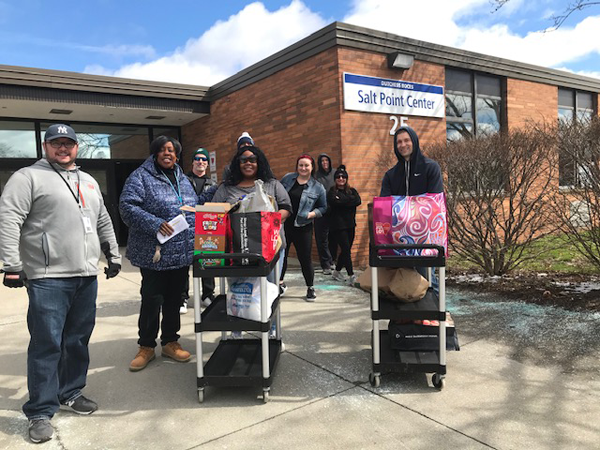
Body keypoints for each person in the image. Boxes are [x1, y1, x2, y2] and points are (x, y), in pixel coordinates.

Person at [0, 124, 121, 444]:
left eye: (68, 143)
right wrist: (12, 265)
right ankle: (39, 410)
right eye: (56, 143)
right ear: (45, 145)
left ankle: (70, 392)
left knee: (77, 341)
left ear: (77, 147)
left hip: (85, 275)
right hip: (47, 278)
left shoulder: (89, 180)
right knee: (46, 344)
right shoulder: (27, 177)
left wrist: (113, 252)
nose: (62, 148)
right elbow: (8, 218)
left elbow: (102, 218)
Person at [119, 136, 197, 372]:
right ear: (154, 153)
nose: (167, 153)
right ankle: (146, 346)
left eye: (172, 150)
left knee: (174, 299)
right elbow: (127, 206)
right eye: (163, 150)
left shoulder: (183, 178)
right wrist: (154, 223)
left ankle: (171, 342)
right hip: (155, 252)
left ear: (177, 155)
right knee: (152, 300)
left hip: (181, 252)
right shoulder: (140, 176)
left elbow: (191, 206)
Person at [380, 125, 443, 291]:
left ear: (414, 141)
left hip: (424, 238)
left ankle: (434, 315)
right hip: (398, 239)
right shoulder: (391, 175)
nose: (402, 144)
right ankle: (405, 318)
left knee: (428, 281)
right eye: (399, 141)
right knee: (401, 282)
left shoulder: (430, 167)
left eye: (406, 140)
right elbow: (385, 206)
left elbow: (435, 201)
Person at [280, 155, 327, 302]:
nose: (303, 168)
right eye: (300, 165)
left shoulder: (318, 187)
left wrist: (311, 214)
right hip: (284, 224)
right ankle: (279, 284)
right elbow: (278, 195)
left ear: (312, 167)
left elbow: (323, 207)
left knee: (305, 259)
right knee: (282, 255)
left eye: (306, 165)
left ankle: (310, 287)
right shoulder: (288, 179)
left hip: (303, 227)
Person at [180, 147, 217, 314]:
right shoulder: (183, 181)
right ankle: (182, 297)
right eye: (198, 159)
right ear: (193, 162)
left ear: (207, 164)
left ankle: (207, 295)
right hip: (186, 227)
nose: (200, 162)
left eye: (204, 159)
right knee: (184, 263)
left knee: (206, 261)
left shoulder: (213, 184)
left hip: (206, 228)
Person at [327, 165, 361, 286]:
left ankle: (336, 272)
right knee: (346, 250)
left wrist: (342, 200)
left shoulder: (352, 191)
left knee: (346, 251)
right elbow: (334, 202)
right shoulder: (331, 192)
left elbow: (357, 201)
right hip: (337, 226)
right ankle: (351, 275)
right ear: (335, 179)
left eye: (343, 177)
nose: (341, 179)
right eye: (338, 177)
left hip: (350, 225)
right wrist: (348, 201)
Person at [314, 153, 335, 275]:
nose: (324, 163)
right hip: (320, 211)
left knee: (333, 238)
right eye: (322, 161)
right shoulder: (316, 176)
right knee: (322, 239)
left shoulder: (335, 174)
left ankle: (332, 260)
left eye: (326, 160)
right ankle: (325, 264)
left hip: (334, 211)